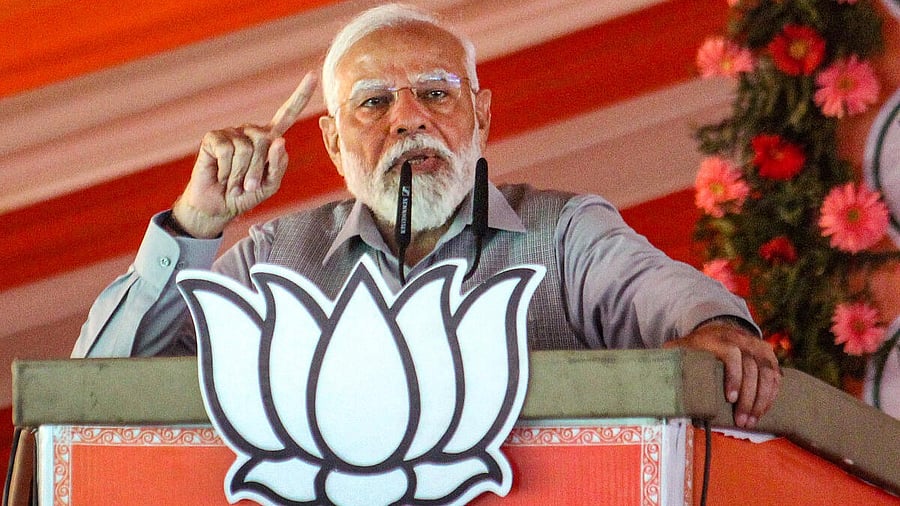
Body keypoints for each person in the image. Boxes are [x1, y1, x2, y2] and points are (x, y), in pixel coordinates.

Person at [72, 3, 780, 429]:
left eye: (437, 94)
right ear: (331, 142)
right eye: (374, 102)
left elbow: (678, 305)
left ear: (483, 114)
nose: (409, 119)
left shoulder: (564, 233)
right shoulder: (272, 258)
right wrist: (195, 221)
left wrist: (713, 330)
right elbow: (94, 393)